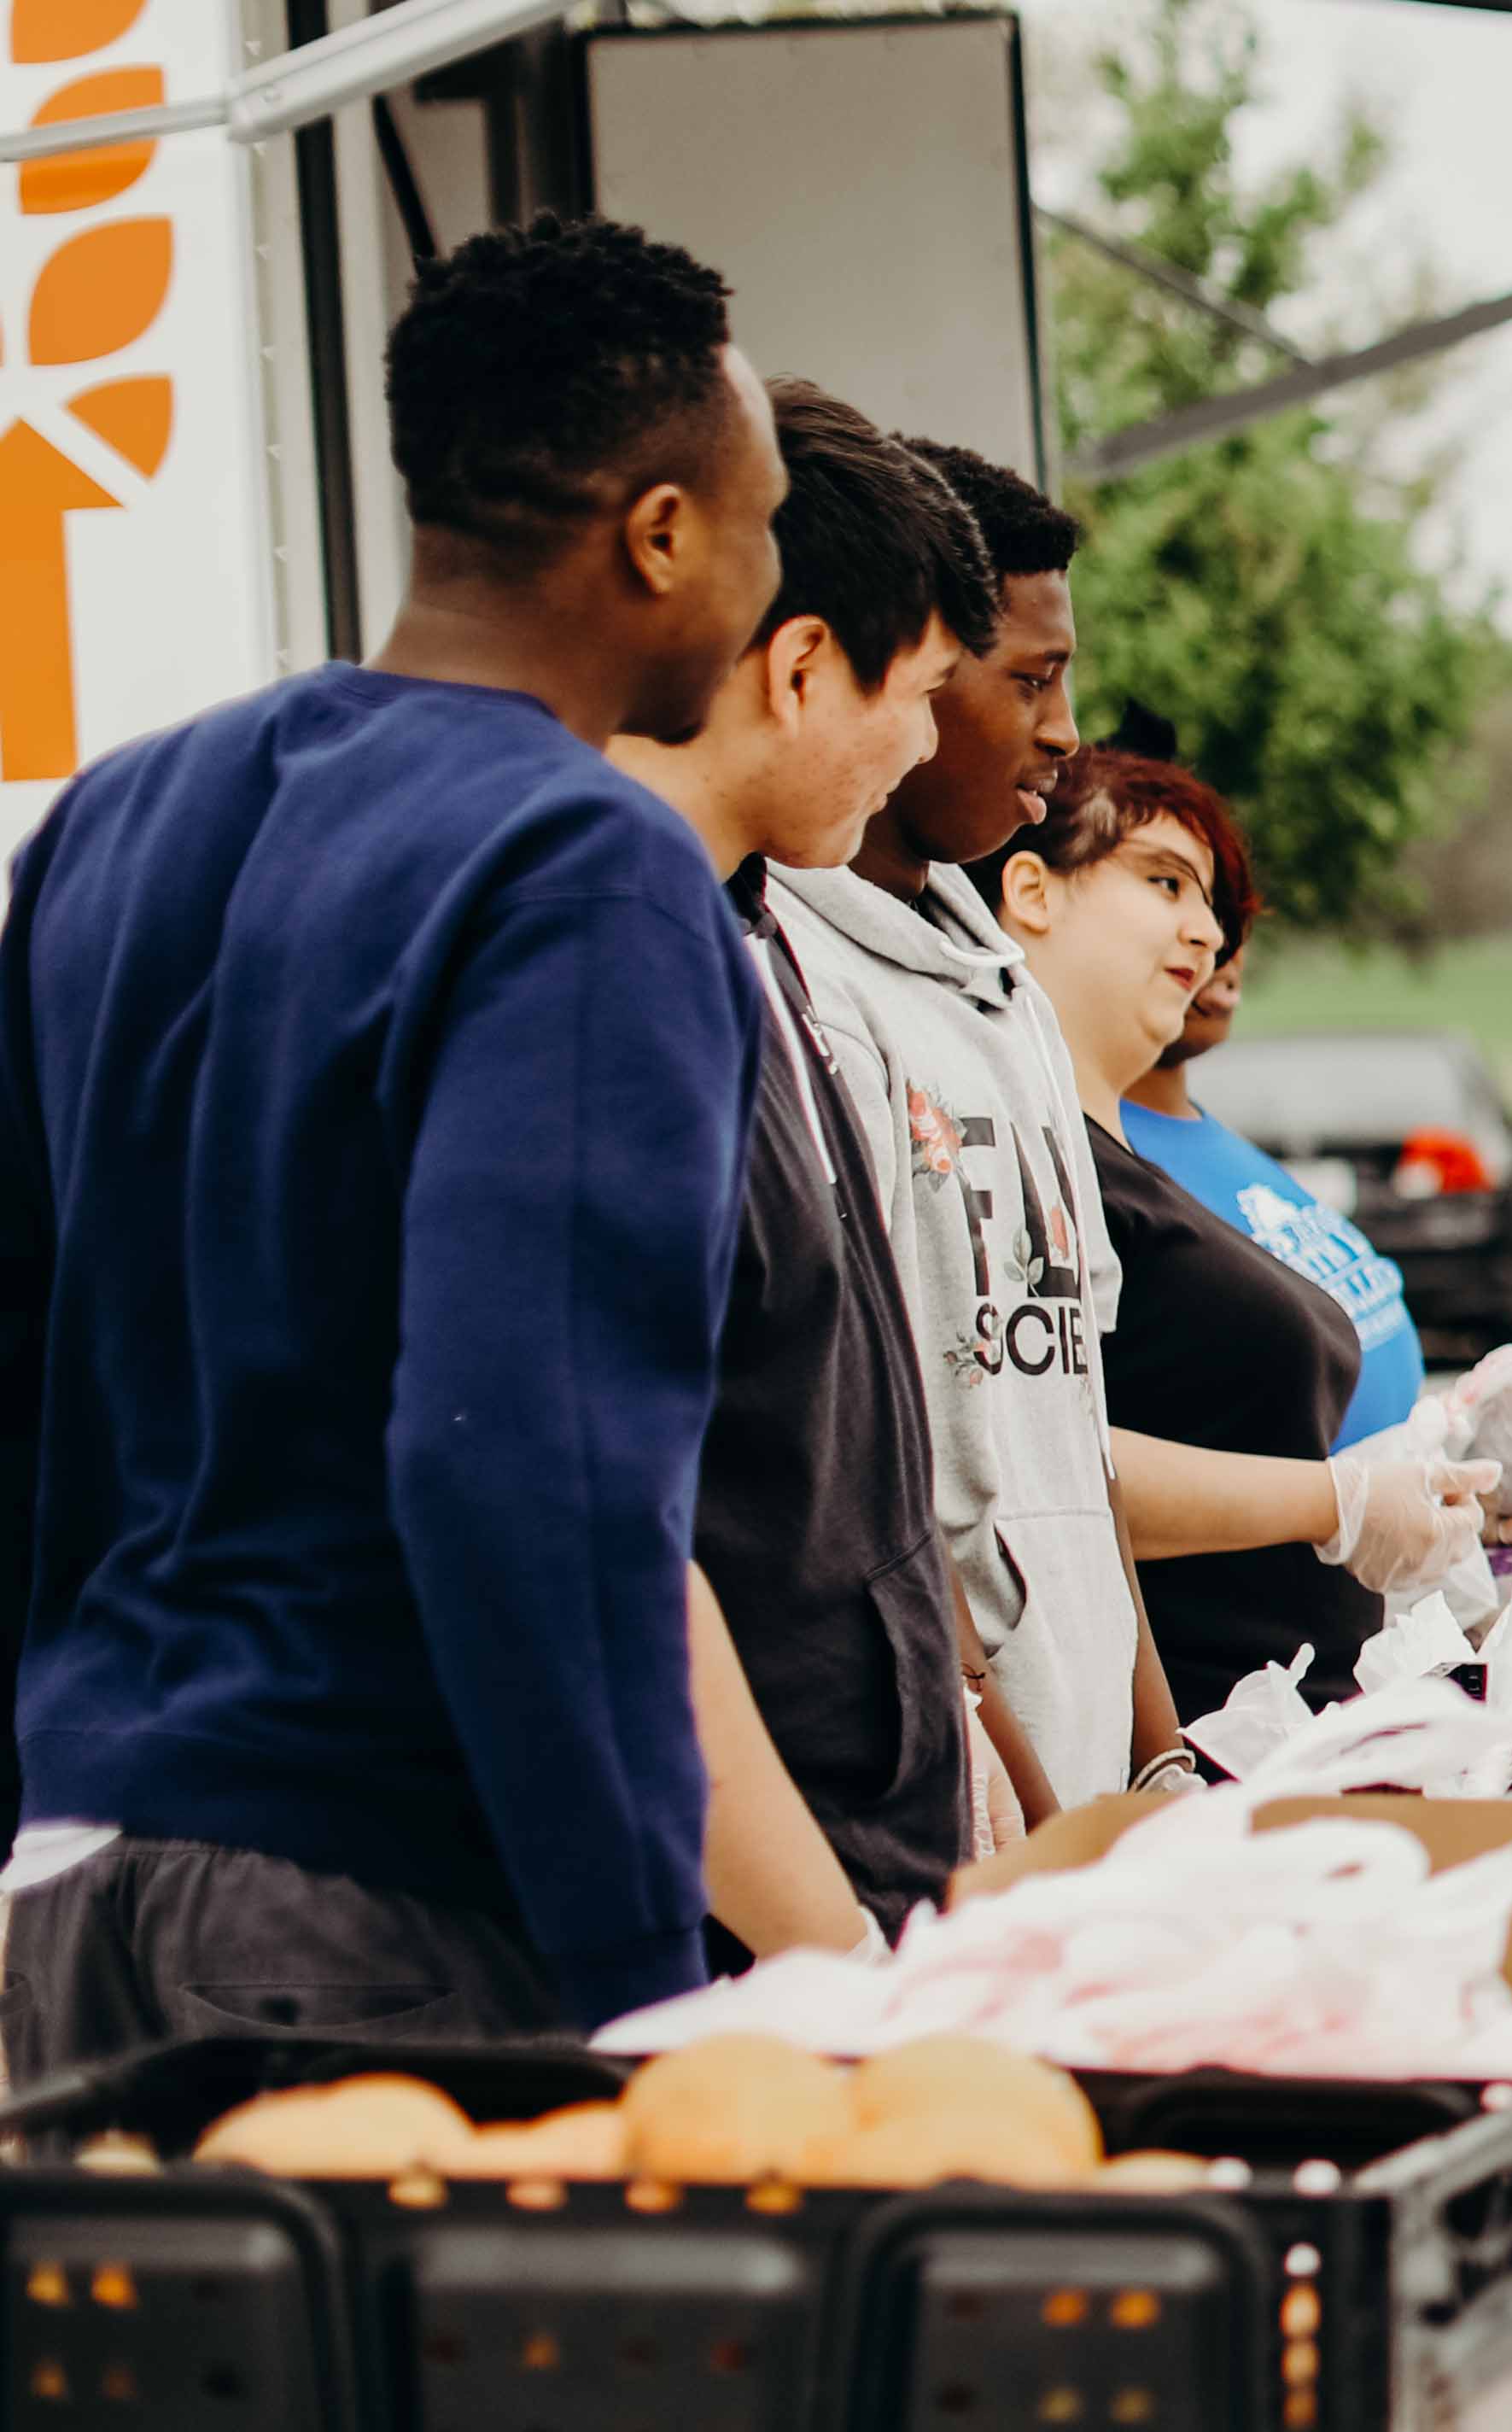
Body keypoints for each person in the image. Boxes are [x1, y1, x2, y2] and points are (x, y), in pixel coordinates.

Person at [0, 210, 781, 2081]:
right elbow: (533, 1462)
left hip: (68, 1877)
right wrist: (642, 1982)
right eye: (760, 527)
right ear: (659, 533)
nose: (768, 587)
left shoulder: (116, 818)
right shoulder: (582, 869)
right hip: (371, 1919)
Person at [606, 379, 987, 1956]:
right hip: (726, 1914)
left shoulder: (745, 928)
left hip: (833, 1874)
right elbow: (609, 1548)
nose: (924, 746)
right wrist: (829, 1961)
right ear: (805, 663)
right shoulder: (602, 965)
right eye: (927, 691)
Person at [771, 444, 1175, 1812]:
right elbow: (889, 1452)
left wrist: (1157, 1752)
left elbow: (1073, 1424)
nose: (1065, 730)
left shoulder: (1007, 986)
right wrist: (1013, 1781)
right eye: (1029, 678)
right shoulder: (805, 981)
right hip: (957, 1793)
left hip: (1079, 1766)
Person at [995, 751, 1492, 1723]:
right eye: (1164, 879)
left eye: (1214, 903)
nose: (1207, 931)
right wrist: (1337, 1504)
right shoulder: (1025, 1163)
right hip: (1196, 1730)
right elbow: (1038, 1466)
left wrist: (1436, 1475)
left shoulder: (1120, 1161)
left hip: (1295, 1722)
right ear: (1030, 891)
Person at [1115, 899, 1425, 1459]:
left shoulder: (1204, 1136)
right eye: (1165, 888)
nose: (1217, 940)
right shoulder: (1097, 1163)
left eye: (1230, 909)